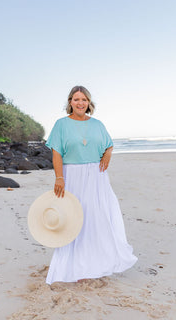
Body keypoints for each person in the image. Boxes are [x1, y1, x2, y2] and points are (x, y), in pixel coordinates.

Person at [44, 85, 137, 284]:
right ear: (70, 102)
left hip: (96, 177)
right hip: (72, 176)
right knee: (74, 219)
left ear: (89, 103)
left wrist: (108, 154)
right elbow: (56, 153)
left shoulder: (97, 124)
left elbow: (109, 144)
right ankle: (73, 265)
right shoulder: (61, 125)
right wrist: (59, 178)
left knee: (97, 217)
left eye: (84, 99)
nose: (80, 103)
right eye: (76, 99)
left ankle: (96, 263)